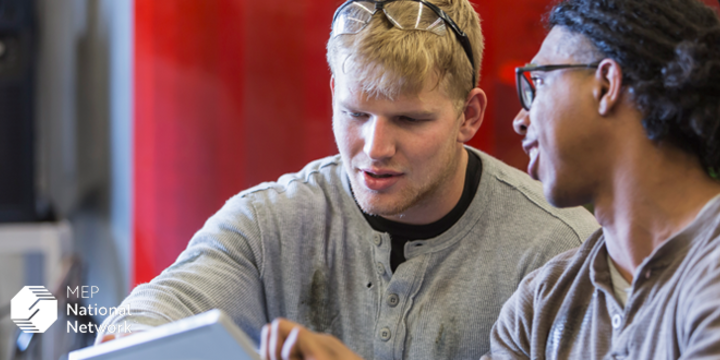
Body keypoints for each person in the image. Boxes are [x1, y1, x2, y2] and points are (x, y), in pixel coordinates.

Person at [98, 0, 598, 359]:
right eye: (356, 113)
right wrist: (129, 344)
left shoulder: (559, 247)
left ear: (469, 115)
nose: (375, 149)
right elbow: (149, 318)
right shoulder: (268, 225)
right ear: (335, 92)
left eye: (409, 120)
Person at [258, 0, 720, 359]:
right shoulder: (545, 300)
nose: (521, 120)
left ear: (605, 86)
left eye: (536, 84)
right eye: (356, 113)